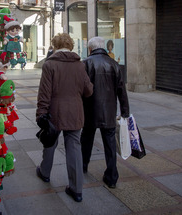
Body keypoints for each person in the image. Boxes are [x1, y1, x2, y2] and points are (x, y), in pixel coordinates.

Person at [36, 33, 93, 202]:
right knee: (74, 147)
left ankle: (45, 172)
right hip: (75, 111)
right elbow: (88, 91)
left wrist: (41, 113)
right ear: (70, 46)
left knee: (50, 143)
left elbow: (44, 93)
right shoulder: (79, 65)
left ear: (54, 45)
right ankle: (76, 189)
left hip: (54, 111)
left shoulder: (50, 64)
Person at [81, 36, 129, 189]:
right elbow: (122, 90)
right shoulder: (114, 64)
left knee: (86, 139)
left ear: (90, 49)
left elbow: (81, 90)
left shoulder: (86, 63)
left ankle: (83, 165)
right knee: (110, 144)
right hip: (109, 111)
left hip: (90, 110)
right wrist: (125, 111)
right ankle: (112, 177)